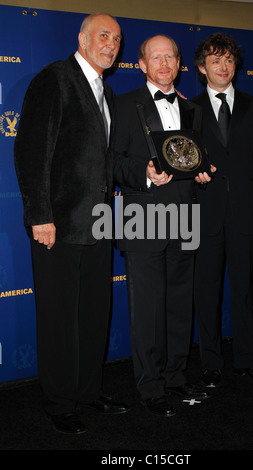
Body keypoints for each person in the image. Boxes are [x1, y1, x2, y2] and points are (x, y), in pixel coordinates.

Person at [14, 13, 130, 435]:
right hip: (57, 226)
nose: (111, 44)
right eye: (103, 35)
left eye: (117, 39)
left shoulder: (109, 94)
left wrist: (148, 174)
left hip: (99, 225)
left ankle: (88, 390)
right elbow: (30, 151)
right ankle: (60, 401)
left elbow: (110, 162)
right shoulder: (55, 78)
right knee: (60, 318)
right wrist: (40, 216)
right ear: (81, 39)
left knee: (93, 315)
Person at [113, 34, 214, 417]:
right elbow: (114, 162)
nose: (164, 64)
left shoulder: (193, 110)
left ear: (179, 63)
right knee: (148, 309)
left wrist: (203, 175)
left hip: (185, 217)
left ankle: (175, 377)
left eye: (170, 57)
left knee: (178, 306)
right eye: (156, 58)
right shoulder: (123, 106)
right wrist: (145, 174)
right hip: (143, 218)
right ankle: (150, 386)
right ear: (141, 64)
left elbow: (193, 161)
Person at [192, 33, 253, 388]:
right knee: (207, 291)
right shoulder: (190, 110)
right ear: (202, 68)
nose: (223, 66)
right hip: (205, 215)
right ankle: (210, 364)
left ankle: (247, 360)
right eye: (215, 60)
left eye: (228, 59)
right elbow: (184, 163)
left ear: (235, 65)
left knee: (244, 290)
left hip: (247, 214)